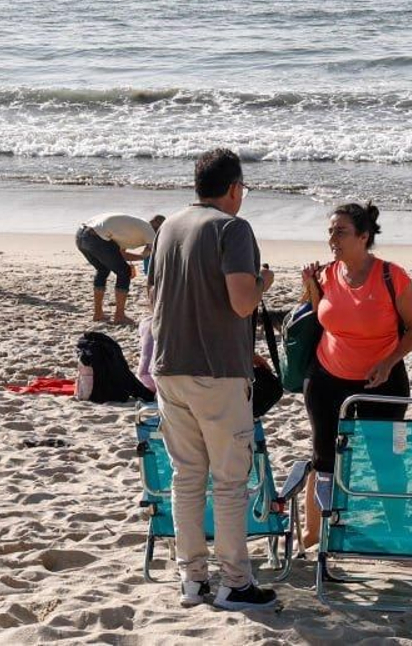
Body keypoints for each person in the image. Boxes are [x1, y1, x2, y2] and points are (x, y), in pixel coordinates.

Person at [149, 148, 276, 611]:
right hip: (216, 371)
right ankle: (235, 582)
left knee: (186, 477)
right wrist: (265, 282)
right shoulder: (232, 228)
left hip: (169, 366)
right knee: (228, 480)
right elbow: (242, 302)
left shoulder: (168, 229)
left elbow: (153, 296)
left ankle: (192, 579)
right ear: (234, 188)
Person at [298, 202, 412, 549]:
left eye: (340, 231)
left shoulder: (391, 275)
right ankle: (315, 532)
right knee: (322, 456)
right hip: (327, 377)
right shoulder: (326, 273)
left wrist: (389, 361)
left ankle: (397, 530)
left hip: (382, 380)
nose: (332, 238)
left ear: (364, 236)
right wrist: (310, 285)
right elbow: (319, 314)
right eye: (330, 231)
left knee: (387, 457)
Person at [76, 211, 164, 325]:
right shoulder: (150, 231)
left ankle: (98, 314)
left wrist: (141, 257)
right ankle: (119, 316)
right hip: (95, 237)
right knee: (124, 272)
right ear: (158, 229)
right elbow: (156, 254)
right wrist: (144, 256)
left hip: (81, 235)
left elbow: (120, 254)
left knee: (103, 270)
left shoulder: (132, 228)